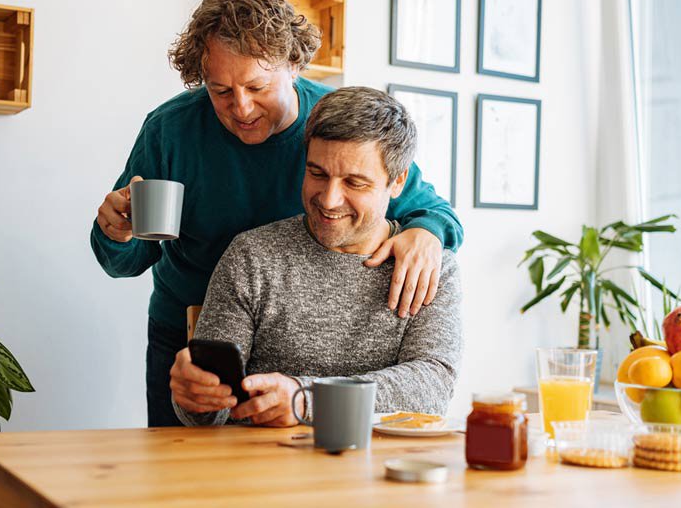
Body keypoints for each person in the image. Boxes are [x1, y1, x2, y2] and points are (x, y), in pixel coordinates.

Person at [91, 0, 463, 427]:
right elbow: (127, 257)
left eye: (257, 86)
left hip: (307, 349)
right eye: (220, 90)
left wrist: (427, 233)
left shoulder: (334, 125)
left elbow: (425, 206)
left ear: (293, 65)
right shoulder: (171, 131)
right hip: (192, 337)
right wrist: (116, 233)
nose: (241, 107)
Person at [170, 87, 462, 427]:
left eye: (354, 183)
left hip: (381, 470)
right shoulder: (252, 257)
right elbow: (209, 416)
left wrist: (305, 399)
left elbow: (432, 387)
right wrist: (196, 397)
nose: (329, 199)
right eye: (318, 174)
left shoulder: (430, 267)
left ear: (397, 182)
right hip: (261, 468)